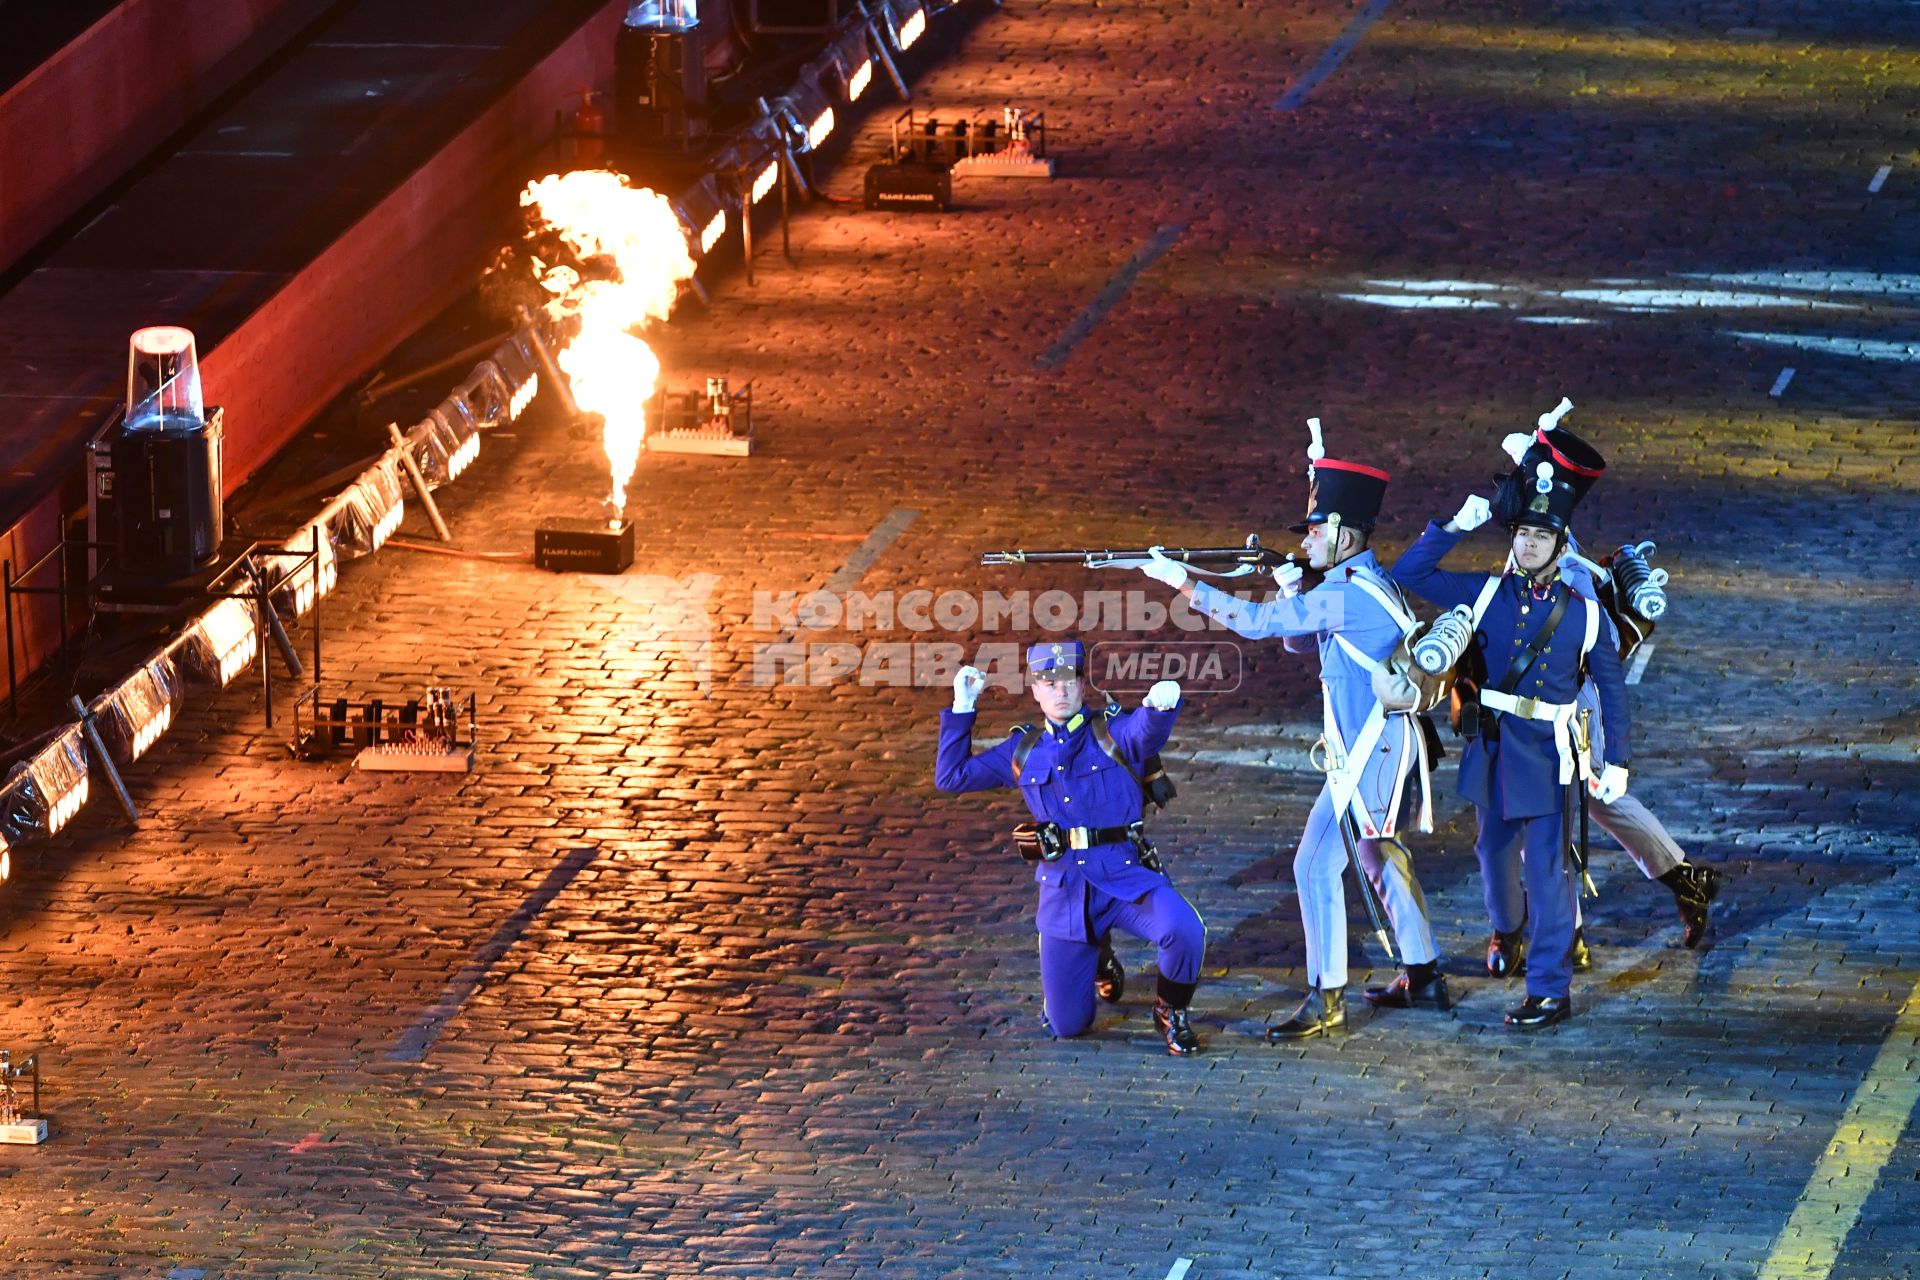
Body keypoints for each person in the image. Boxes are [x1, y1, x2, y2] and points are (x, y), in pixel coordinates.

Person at [1140, 422, 1446, 1040]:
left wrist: (1185, 585)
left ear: (1342, 534)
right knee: (1379, 857)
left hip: (1367, 753)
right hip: (1382, 745)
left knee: (1313, 865)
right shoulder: (1355, 584)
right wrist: (1292, 585)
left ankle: (1326, 996)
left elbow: (1255, 626)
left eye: (1313, 529)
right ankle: (1424, 974)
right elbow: (1301, 640)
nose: (1306, 537)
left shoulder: (1344, 594)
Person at [1393, 463, 1632, 1029]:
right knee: (1491, 853)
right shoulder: (1487, 593)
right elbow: (1411, 571)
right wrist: (1453, 526)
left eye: (1540, 536)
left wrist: (1616, 757)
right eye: (1522, 533)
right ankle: (1507, 928)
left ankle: (1550, 989)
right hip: (1495, 744)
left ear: (1559, 545)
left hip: (1549, 753)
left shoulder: (1586, 613)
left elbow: (1612, 689)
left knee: (1549, 872)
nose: (1528, 543)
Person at [1489, 407, 1725, 954]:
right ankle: (1684, 880)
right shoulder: (1530, 547)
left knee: (1544, 825)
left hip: (1567, 714)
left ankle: (1564, 937)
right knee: (1592, 806)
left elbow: (1596, 653)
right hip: (1540, 714)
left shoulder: (1569, 573)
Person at [934, 640, 1208, 1056]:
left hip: (1124, 877)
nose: (1060, 691)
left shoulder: (1110, 731)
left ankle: (1171, 1011)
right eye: (1049, 682)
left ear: (1083, 685)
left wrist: (1158, 709)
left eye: (1068, 681)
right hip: (1065, 894)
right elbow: (951, 776)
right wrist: (961, 706)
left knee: (1184, 928)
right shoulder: (1023, 750)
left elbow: (1144, 732)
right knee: (1068, 1026)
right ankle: (1099, 956)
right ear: (1036, 690)